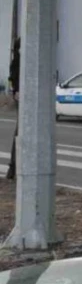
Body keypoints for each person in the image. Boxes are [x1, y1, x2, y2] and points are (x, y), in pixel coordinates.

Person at [6, 38, 19, 181]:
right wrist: (15, 91)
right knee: (20, 131)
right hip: (24, 98)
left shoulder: (16, 60)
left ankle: (13, 167)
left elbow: (11, 78)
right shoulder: (18, 60)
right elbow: (12, 78)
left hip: (20, 97)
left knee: (20, 131)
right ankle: (13, 166)